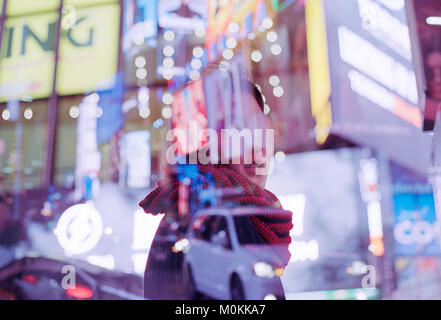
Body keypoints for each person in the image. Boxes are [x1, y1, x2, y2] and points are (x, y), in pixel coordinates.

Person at [139, 70, 293, 300]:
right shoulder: (214, 219)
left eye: (261, 133)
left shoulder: (230, 216)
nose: (257, 152)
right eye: (239, 134)